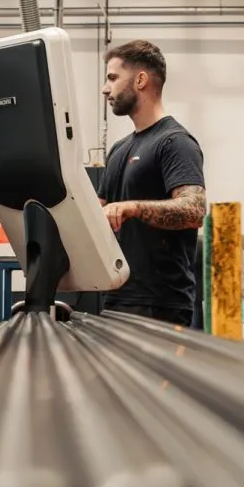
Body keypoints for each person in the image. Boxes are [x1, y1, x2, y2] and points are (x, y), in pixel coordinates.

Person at [97, 40, 206, 326]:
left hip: (160, 304)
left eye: (112, 78)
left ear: (141, 79)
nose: (105, 89)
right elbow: (98, 214)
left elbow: (194, 210)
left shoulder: (174, 143)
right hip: (117, 296)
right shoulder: (119, 149)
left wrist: (132, 207)